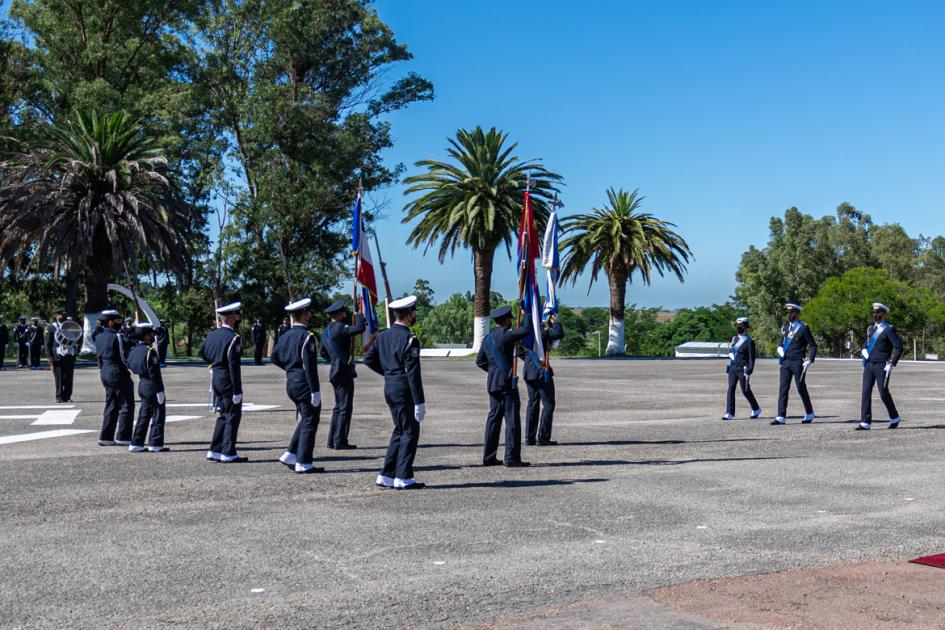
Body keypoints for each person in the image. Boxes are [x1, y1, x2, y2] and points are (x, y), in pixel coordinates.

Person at [364, 295, 427, 490]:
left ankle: (387, 474)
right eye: (413, 312)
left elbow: (368, 359)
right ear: (409, 314)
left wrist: (390, 373)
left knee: (400, 430)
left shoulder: (382, 335)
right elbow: (414, 375)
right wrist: (420, 402)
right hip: (403, 390)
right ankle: (403, 476)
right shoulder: (410, 339)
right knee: (409, 431)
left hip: (390, 387)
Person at [272, 299, 323, 474]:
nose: (310, 315)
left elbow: (274, 357)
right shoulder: (307, 336)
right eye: (308, 312)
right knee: (311, 420)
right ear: (304, 314)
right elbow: (310, 366)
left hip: (291, 381)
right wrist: (315, 390)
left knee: (306, 418)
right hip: (303, 383)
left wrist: (290, 368)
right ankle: (304, 461)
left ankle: (291, 453)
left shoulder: (285, 335)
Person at [476, 305, 531, 467]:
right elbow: (526, 330)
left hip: (493, 384)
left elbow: (479, 361)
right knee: (512, 420)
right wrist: (526, 313)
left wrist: (494, 372)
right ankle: (511, 457)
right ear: (506, 320)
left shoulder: (488, 338)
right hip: (507, 385)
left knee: (493, 420)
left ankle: (489, 457)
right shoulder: (507, 335)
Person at [199, 302, 246, 463]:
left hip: (216, 377)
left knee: (223, 415)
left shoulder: (212, 335)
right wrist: (238, 390)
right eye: (237, 315)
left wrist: (212, 364)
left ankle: (215, 449)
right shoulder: (233, 338)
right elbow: (234, 366)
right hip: (228, 379)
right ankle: (228, 451)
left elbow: (202, 352)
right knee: (232, 415)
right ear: (233, 317)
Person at [320, 301, 365, 450]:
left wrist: (334, 361)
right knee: (345, 407)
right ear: (338, 314)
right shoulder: (339, 327)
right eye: (343, 312)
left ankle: (332, 439)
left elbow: (323, 353)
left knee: (338, 407)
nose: (345, 314)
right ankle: (340, 440)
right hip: (342, 371)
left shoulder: (326, 330)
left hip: (335, 370)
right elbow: (359, 328)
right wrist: (359, 315)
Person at [857, 303, 903, 431]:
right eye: (874, 312)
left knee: (883, 392)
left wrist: (892, 363)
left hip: (882, 365)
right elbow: (865, 344)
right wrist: (864, 350)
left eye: (878, 312)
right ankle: (865, 422)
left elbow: (899, 348)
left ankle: (894, 417)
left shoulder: (888, 329)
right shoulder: (870, 329)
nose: (875, 314)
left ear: (884, 314)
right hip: (869, 365)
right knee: (866, 392)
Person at [520, 314, 565, 446]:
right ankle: (543, 437)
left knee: (532, 403)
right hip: (541, 372)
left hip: (529, 372)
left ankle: (529, 437)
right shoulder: (541, 334)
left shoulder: (525, 335)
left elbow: (519, 351)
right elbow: (558, 333)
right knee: (548, 404)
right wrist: (554, 322)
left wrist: (530, 362)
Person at [772, 303, 817, 425]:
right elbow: (781, 343)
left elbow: (813, 345)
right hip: (786, 362)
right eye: (788, 312)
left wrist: (809, 359)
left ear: (797, 313)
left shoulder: (803, 328)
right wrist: (779, 349)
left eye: (792, 312)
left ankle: (809, 412)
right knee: (783, 388)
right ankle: (781, 416)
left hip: (798, 362)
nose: (789, 315)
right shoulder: (785, 327)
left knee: (801, 388)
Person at [96, 309, 135, 446]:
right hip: (117, 372)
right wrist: (130, 368)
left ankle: (106, 437)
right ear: (111, 322)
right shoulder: (116, 337)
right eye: (118, 321)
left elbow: (99, 357)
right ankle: (123, 437)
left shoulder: (99, 336)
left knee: (111, 404)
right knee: (126, 404)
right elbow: (122, 357)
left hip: (105, 372)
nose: (120, 324)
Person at [127, 323, 169, 452]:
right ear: (145, 335)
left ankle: (137, 442)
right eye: (151, 334)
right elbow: (154, 373)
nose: (152, 336)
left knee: (144, 415)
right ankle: (155, 443)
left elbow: (130, 365)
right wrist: (160, 391)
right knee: (158, 414)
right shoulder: (149, 352)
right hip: (152, 386)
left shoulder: (133, 351)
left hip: (141, 384)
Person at [722, 317, 762, 421]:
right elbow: (733, 351)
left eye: (741, 325)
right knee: (731, 388)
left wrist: (749, 371)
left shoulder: (749, 341)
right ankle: (729, 413)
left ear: (745, 327)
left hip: (742, 369)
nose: (739, 327)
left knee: (745, 390)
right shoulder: (734, 338)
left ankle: (756, 408)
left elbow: (751, 358)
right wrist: (730, 355)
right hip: (733, 367)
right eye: (738, 326)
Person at [44, 309, 77, 403]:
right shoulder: (52, 327)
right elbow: (48, 343)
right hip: (57, 356)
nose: (63, 317)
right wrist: (49, 356)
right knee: (59, 377)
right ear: (56, 316)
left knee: (69, 377)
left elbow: (76, 338)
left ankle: (67, 397)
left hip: (69, 355)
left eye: (64, 315)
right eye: (61, 315)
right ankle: (59, 397)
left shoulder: (70, 326)